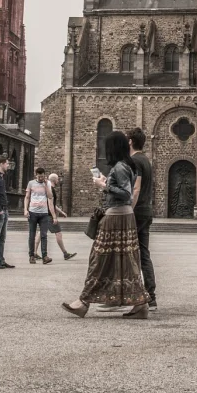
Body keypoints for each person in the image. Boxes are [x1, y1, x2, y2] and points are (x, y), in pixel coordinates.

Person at [62, 131, 149, 319]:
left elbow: (126, 193)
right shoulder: (127, 165)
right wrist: (106, 181)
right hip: (124, 216)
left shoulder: (119, 167)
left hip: (116, 217)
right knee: (127, 261)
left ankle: (83, 302)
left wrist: (104, 186)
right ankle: (140, 304)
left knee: (98, 258)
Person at [128, 128, 157, 308]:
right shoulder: (146, 160)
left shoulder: (134, 161)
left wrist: (130, 209)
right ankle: (151, 296)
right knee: (144, 254)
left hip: (137, 211)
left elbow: (136, 189)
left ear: (130, 141)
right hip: (146, 210)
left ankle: (132, 296)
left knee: (128, 253)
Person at [33, 174, 76, 261]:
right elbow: (51, 205)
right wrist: (54, 217)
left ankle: (34, 253)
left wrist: (61, 212)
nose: (58, 180)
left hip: (43, 214)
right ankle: (65, 254)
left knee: (40, 233)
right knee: (58, 233)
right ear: (55, 180)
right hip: (48, 215)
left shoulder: (47, 189)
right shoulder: (51, 189)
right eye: (58, 179)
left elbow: (52, 204)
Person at [25, 167, 56, 264]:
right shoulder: (31, 183)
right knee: (32, 235)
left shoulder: (48, 183)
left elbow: (50, 196)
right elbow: (27, 197)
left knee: (44, 235)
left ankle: (45, 256)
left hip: (44, 213)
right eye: (39, 176)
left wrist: (46, 185)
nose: (41, 178)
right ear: (36, 175)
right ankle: (31, 256)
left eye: (42, 176)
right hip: (33, 212)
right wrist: (25, 210)